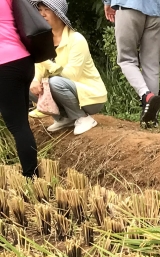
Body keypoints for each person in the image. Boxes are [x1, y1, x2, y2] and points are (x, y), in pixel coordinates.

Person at [30, 0, 106, 136]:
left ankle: (83, 118)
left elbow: (71, 75)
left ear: (58, 14)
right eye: (39, 10)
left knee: (55, 83)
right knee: (28, 84)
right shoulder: (43, 41)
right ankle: (63, 119)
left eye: (47, 10)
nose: (42, 14)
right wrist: (35, 80)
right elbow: (38, 69)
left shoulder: (77, 39)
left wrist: (45, 60)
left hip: (91, 97)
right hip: (65, 90)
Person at [102, 0, 160, 126]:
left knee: (126, 59)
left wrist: (107, 3)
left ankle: (146, 95)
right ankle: (152, 118)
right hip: (156, 12)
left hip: (128, 7)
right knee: (151, 65)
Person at [0, 0, 38, 176]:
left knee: (17, 126)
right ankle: (33, 171)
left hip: (5, 64)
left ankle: (31, 176)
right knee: (22, 123)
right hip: (24, 59)